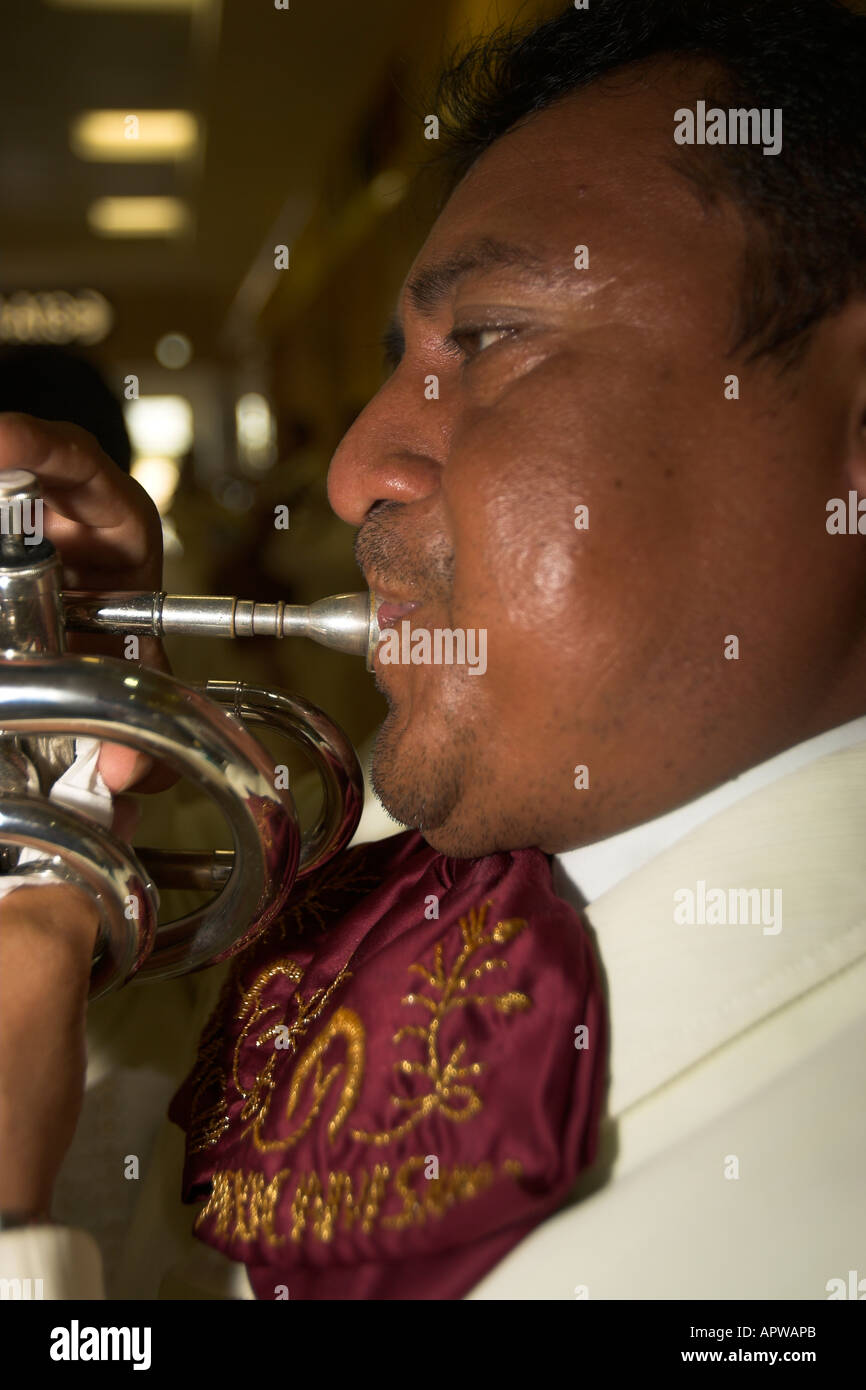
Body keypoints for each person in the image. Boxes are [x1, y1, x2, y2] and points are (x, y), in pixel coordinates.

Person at [2, 0, 866, 1299]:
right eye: (403, 358)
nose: (353, 474)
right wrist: (73, 801)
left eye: (488, 339)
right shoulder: (435, 845)